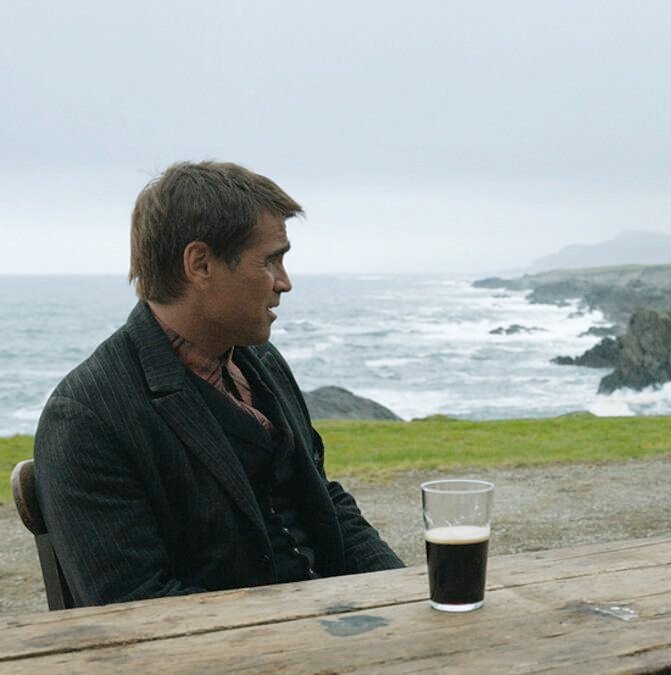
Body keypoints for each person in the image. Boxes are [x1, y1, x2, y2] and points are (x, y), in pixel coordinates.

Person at [34, 161, 404, 607]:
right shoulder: (86, 419)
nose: (285, 283)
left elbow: (324, 501)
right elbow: (133, 606)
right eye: (270, 260)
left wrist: (405, 593)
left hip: (333, 621)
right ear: (201, 264)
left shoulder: (262, 362)